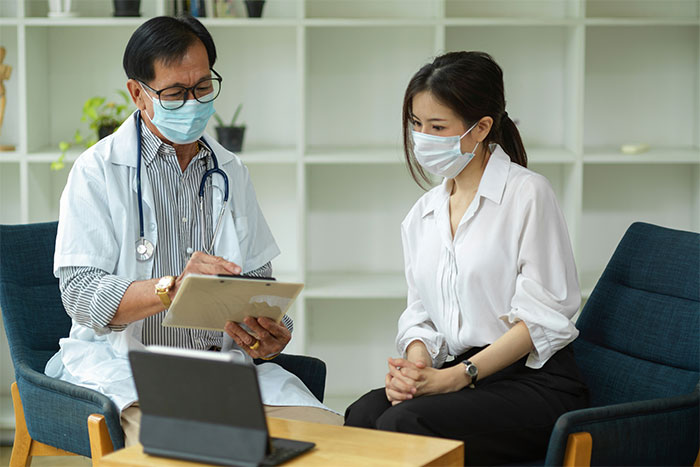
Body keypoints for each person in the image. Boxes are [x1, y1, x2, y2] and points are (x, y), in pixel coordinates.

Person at [45, 15, 342, 446]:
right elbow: (81, 296)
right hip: (130, 369)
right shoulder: (97, 171)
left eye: (202, 87)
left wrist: (269, 333)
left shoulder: (230, 171)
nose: (193, 102)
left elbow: (256, 283)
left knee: (333, 439)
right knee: (196, 446)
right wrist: (172, 287)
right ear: (138, 94)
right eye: (175, 93)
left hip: (220, 367)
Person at [344, 51, 589, 465]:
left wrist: (457, 377)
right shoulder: (423, 214)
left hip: (533, 383)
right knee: (364, 414)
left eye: (437, 127)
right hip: (460, 374)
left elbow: (544, 316)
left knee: (405, 424)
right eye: (417, 124)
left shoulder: (527, 194)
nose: (423, 137)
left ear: (481, 129)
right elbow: (419, 312)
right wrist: (419, 370)